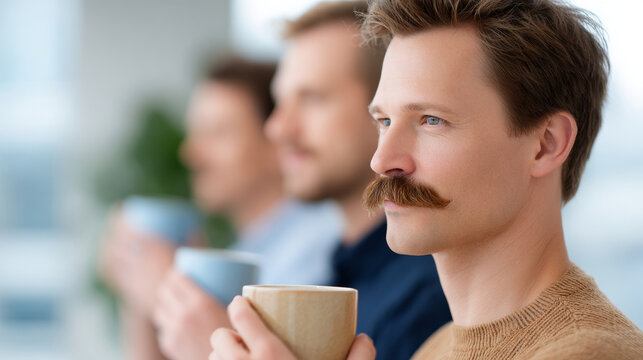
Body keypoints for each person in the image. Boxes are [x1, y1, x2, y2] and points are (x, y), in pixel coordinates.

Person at [208, 0, 643, 359]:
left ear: (546, 144)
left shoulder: (590, 353)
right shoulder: (436, 348)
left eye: (431, 120)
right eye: (383, 121)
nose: (383, 160)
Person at [209, 2, 451, 359]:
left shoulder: (424, 301)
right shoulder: (337, 277)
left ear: (384, 105)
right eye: (280, 101)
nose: (277, 128)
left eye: (311, 98)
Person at [100, 57, 342, 360]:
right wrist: (141, 294)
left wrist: (170, 295)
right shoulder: (248, 249)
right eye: (195, 133)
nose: (190, 153)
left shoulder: (312, 255)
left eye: (217, 133)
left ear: (276, 144)